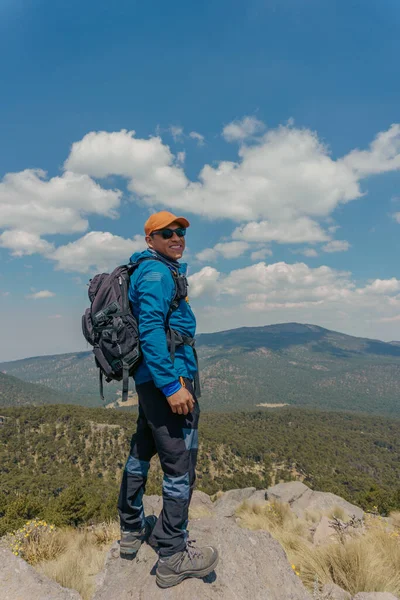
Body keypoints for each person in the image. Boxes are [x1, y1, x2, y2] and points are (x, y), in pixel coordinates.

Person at [117, 210, 219, 588]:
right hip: (168, 378)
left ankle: (131, 529)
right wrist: (172, 386)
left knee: (143, 449)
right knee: (180, 464)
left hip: (151, 381)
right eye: (167, 233)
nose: (177, 237)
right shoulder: (158, 273)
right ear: (150, 240)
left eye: (180, 232)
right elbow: (150, 332)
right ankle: (173, 554)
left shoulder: (151, 269)